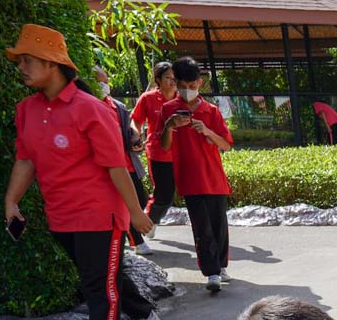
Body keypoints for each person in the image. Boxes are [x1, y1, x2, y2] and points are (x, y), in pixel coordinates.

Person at [1, 24, 160, 320]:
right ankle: (146, 317)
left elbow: (116, 165)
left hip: (100, 213)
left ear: (52, 63)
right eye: (20, 61)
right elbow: (25, 159)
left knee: (95, 280)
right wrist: (12, 201)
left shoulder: (89, 108)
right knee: (103, 275)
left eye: (28, 60)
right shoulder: (27, 109)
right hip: (60, 213)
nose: (21, 67)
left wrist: (135, 214)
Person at [160, 56, 234, 292]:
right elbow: (163, 146)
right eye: (182, 86)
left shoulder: (210, 111)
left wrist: (208, 132)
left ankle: (221, 266)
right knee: (202, 228)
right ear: (176, 84)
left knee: (218, 226)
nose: (187, 91)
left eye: (192, 87)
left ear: (200, 83)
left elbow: (226, 145)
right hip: (189, 179)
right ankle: (211, 272)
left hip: (214, 178)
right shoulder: (169, 110)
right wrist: (169, 126)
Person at [92, 64, 151, 258]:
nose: (103, 85)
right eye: (98, 82)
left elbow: (127, 130)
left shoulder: (118, 106)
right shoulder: (90, 106)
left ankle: (131, 235)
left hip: (127, 163)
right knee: (121, 204)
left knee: (139, 200)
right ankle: (137, 241)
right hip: (108, 167)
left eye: (105, 81)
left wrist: (134, 139)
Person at [131, 60, 178, 229]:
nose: (173, 81)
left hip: (183, 153)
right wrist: (136, 135)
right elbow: (136, 120)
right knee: (163, 194)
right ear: (158, 79)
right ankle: (146, 223)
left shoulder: (183, 98)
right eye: (168, 77)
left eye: (176, 77)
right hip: (159, 153)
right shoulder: (148, 98)